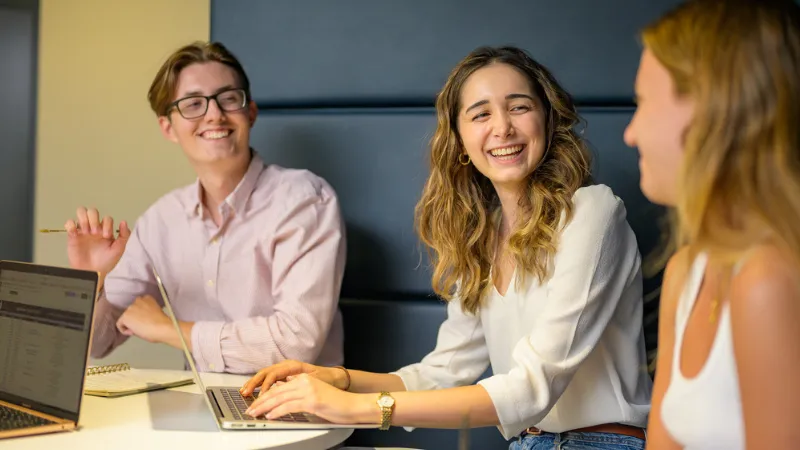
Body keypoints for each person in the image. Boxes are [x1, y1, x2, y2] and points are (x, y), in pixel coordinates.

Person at [240, 46, 652, 449]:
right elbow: (441, 372)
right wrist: (338, 379)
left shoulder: (592, 212)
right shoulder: (483, 237)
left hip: (604, 441)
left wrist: (354, 408)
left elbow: (532, 387)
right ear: (459, 140)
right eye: (481, 114)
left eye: (519, 106)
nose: (503, 127)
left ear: (547, 117)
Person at [63, 41, 346, 374]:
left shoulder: (304, 199)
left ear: (250, 113)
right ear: (168, 127)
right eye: (193, 104)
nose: (214, 114)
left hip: (296, 415)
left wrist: (170, 330)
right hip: (197, 411)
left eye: (228, 98)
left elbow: (296, 344)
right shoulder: (160, 221)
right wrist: (90, 279)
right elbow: (97, 344)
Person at [623, 1, 800, 448]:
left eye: (642, 103)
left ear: (710, 111)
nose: (630, 132)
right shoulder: (686, 271)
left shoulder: (767, 277)